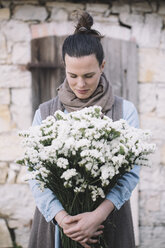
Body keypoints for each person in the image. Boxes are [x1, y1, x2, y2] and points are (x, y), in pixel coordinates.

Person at [28, 11, 140, 248]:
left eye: (89, 75)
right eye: (73, 75)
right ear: (64, 67)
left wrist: (97, 216)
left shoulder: (124, 112)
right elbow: (36, 176)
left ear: (102, 66)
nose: (80, 84)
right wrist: (64, 219)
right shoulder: (45, 113)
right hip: (56, 228)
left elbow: (130, 174)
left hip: (109, 223)